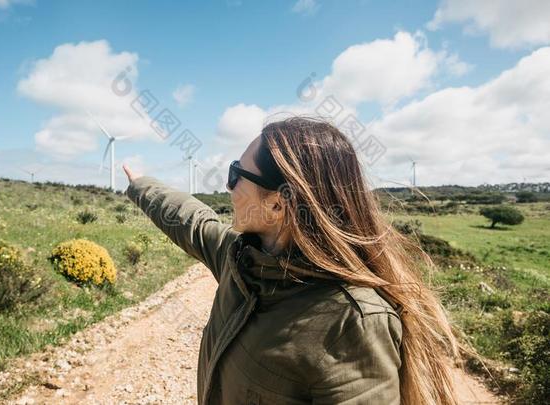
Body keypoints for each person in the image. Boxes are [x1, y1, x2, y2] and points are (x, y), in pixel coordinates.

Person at [123, 117, 461, 405]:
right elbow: (193, 221)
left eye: (236, 174)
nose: (229, 186)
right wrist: (142, 186)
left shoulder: (352, 321)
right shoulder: (241, 259)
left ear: (276, 205)